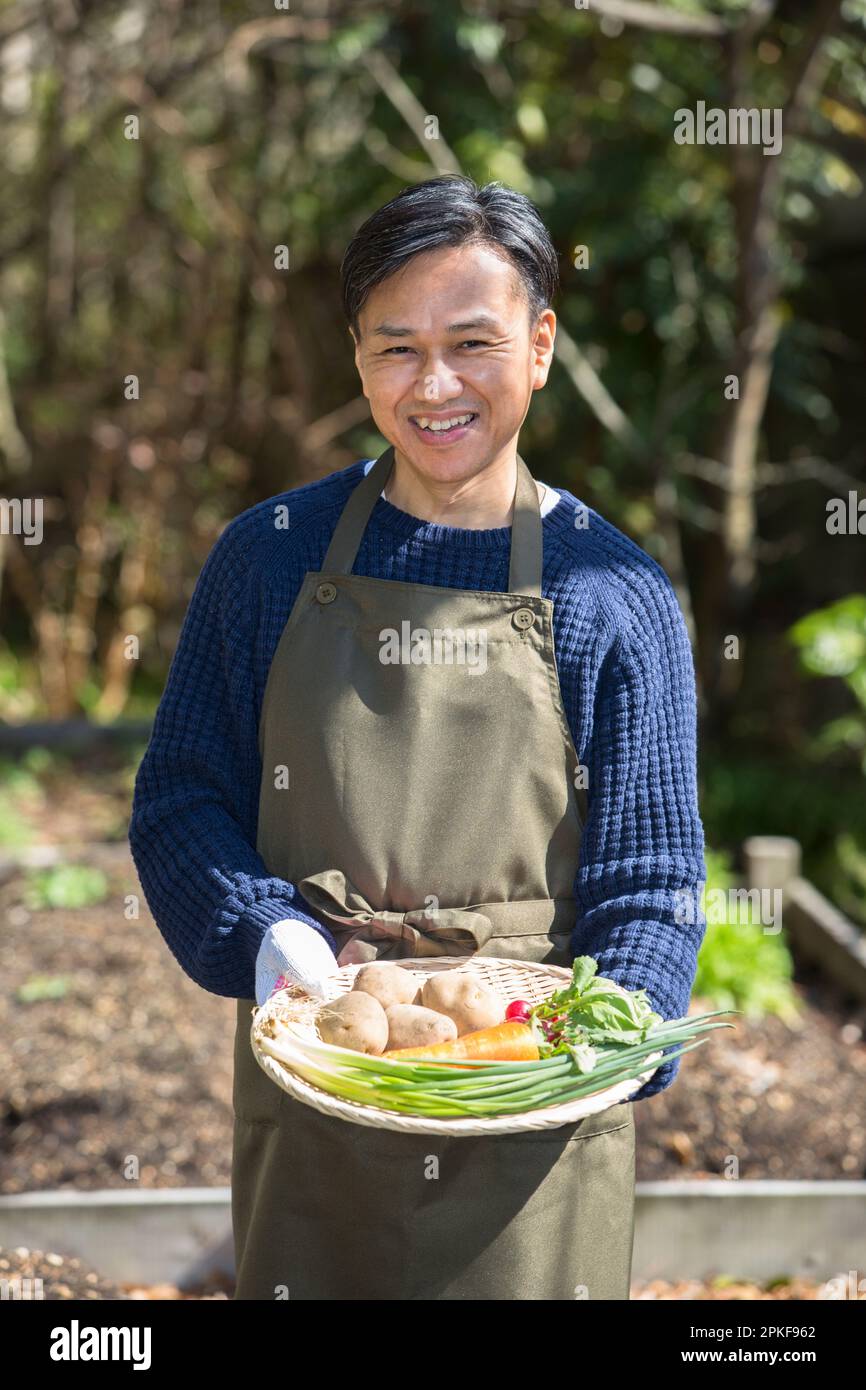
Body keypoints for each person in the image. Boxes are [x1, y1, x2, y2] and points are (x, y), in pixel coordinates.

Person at [129, 175, 707, 1301]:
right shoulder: (269, 558)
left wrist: (602, 1043)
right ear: (355, 356)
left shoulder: (611, 592)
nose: (434, 385)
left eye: (472, 343)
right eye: (396, 347)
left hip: (530, 1115)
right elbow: (179, 803)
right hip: (317, 1082)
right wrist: (269, 940)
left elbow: (650, 882)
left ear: (539, 345)